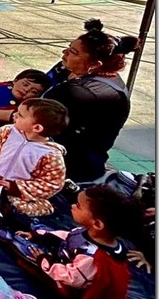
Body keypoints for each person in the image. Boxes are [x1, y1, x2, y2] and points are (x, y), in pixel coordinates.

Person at [0, 185, 133, 299]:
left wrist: (43, 259)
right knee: (41, 230)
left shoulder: (92, 259)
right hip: (66, 255)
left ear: (97, 224)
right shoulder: (92, 234)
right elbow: (69, 237)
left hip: (63, 276)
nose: (72, 206)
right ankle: (11, 212)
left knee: (24, 247)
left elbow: (71, 278)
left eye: (78, 206)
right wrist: (39, 236)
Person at [41, 19, 138, 182]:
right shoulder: (79, 71)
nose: (65, 52)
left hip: (65, 168)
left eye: (73, 52)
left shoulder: (82, 92)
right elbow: (41, 81)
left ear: (95, 64)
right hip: (69, 156)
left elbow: (30, 116)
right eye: (70, 47)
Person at [0, 99, 68, 218]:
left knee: (27, 208)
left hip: (17, 192)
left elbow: (51, 183)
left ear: (37, 128)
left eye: (20, 115)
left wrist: (15, 187)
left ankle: (2, 210)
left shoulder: (51, 155)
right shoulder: (7, 131)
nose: (14, 115)